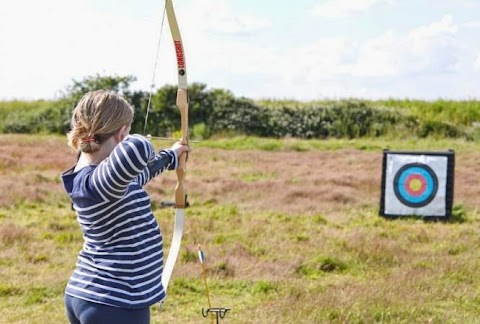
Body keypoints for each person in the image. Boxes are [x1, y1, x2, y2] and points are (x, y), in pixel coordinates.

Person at [61, 90, 190, 324]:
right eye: (126, 130)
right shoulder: (96, 183)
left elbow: (137, 175)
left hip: (91, 295)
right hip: (116, 302)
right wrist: (130, 137)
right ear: (121, 133)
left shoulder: (94, 177)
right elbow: (138, 149)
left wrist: (171, 156)